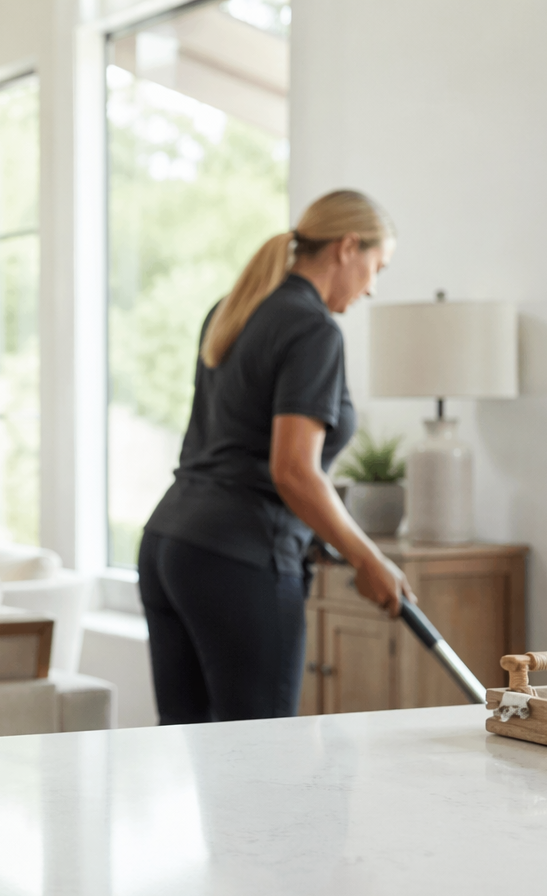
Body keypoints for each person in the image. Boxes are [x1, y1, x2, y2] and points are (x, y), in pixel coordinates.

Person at [138, 189, 413, 725]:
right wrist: (367, 557)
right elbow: (293, 471)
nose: (372, 287)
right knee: (261, 763)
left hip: (170, 544)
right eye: (376, 266)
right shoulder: (313, 329)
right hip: (238, 559)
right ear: (347, 247)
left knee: (189, 746)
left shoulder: (233, 307)